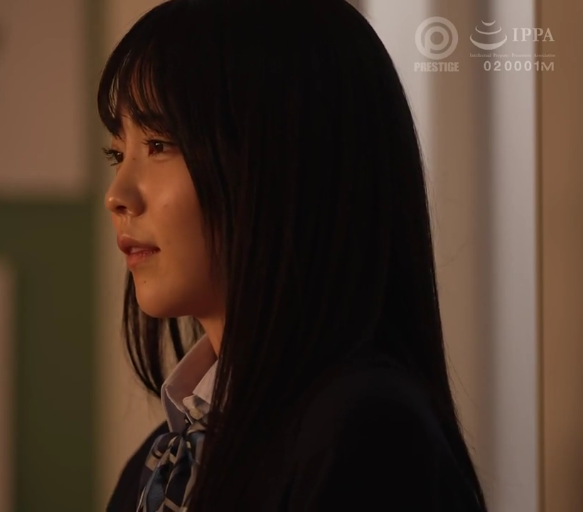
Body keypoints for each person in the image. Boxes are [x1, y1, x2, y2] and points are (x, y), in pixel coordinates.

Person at [99, 0, 489, 511]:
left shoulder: (365, 439)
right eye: (117, 153)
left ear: (289, 164)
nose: (117, 195)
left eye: (159, 144)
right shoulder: (161, 464)